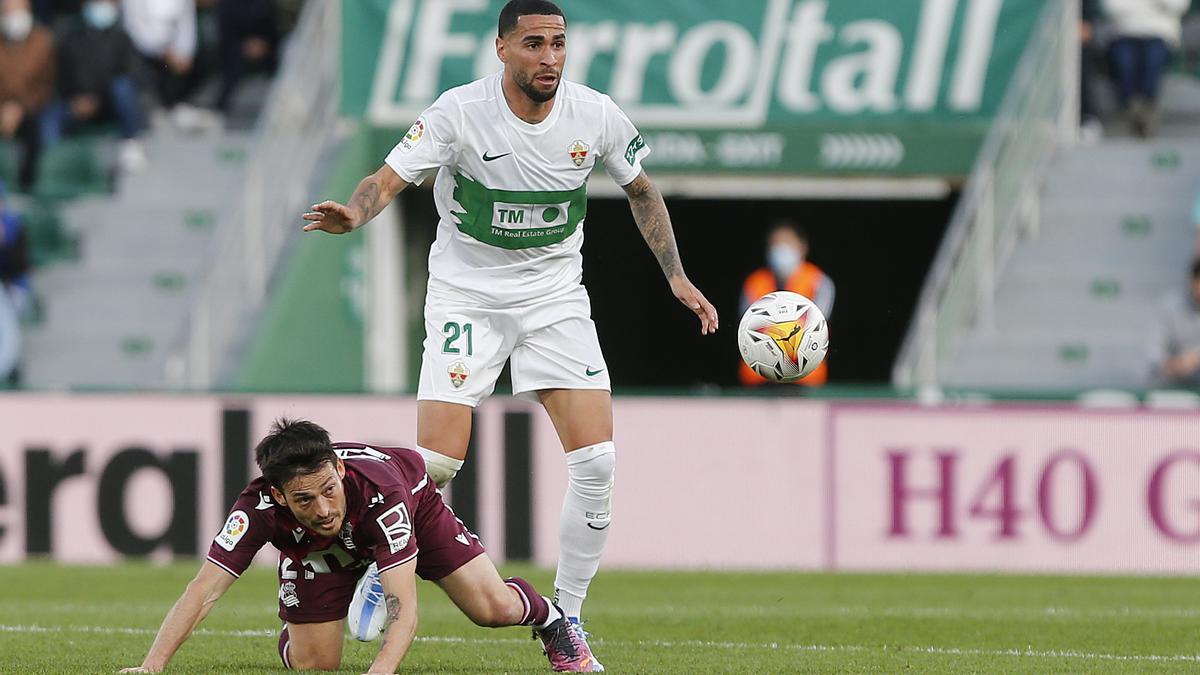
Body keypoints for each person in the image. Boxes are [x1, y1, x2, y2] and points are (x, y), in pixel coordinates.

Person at [303, 0, 717, 641]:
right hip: (467, 297)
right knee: (434, 465)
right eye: (534, 45)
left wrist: (676, 275)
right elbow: (386, 179)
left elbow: (641, 190)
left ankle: (569, 615)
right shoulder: (459, 112)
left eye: (558, 44)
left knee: (598, 463)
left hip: (555, 299)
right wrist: (355, 216)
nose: (549, 57)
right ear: (502, 49)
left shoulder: (596, 114)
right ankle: (376, 568)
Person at [120, 418, 603, 674]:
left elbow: (406, 615)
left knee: (491, 608)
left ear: (341, 471)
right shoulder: (256, 509)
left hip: (413, 508)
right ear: (278, 496)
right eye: (304, 499)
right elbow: (203, 589)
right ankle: (317, 606)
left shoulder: (382, 495)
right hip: (318, 554)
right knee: (315, 664)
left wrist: (379, 672)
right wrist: (150, 667)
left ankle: (552, 619)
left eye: (329, 489)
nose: (324, 508)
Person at [45, 0, 146, 172]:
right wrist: (76, 100)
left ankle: (130, 142)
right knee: (50, 115)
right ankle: (51, 162)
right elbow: (60, 77)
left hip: (108, 105)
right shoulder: (71, 38)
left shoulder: (122, 39)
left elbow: (133, 75)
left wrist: (96, 98)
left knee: (122, 88)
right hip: (76, 104)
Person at [739, 220, 835, 387]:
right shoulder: (754, 282)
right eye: (776, 244)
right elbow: (748, 329)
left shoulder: (819, 282)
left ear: (803, 247)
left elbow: (814, 327)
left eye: (787, 242)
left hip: (805, 379)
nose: (781, 248)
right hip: (760, 378)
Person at [122, 0, 217, 132]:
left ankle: (177, 107)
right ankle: (156, 110)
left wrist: (185, 53)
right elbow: (134, 27)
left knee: (202, 61)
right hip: (145, 51)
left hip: (174, 52)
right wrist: (162, 50)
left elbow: (186, 24)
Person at [1103, 0, 1190, 137]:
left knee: (1153, 59)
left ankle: (1142, 107)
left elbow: (1178, 6)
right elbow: (1112, 7)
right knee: (1124, 62)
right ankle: (1138, 109)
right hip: (1123, 33)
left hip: (1160, 35)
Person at [0, 0, 55, 192]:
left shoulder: (44, 41)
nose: (13, 17)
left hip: (34, 109)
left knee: (42, 128)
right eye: (8, 12)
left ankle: (29, 185)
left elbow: (48, 85)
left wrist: (20, 108)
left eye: (17, 11)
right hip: (3, 109)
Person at [214, 0, 278, 116]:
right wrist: (243, 47)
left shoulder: (263, 4)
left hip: (264, 48)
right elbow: (224, 34)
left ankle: (279, 104)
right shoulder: (227, 4)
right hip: (235, 50)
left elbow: (272, 30)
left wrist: (263, 44)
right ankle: (220, 107)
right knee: (232, 67)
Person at [1150, 258, 1200, 386]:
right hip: (1173, 390)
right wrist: (1179, 364)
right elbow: (1155, 357)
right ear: (1192, 281)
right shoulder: (1171, 307)